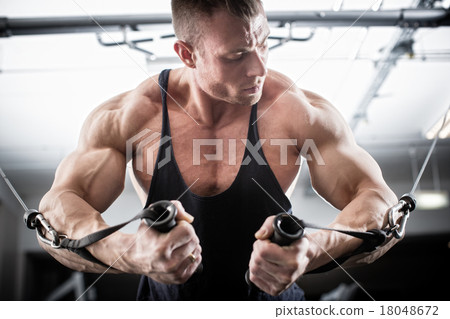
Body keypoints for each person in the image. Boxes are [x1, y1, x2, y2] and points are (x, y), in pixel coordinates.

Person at [38, 0, 398, 300]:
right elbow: (59, 209)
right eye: (237, 55)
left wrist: (314, 249)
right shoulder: (130, 118)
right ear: (187, 54)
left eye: (264, 43)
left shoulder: (298, 113)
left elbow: (379, 201)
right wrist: (132, 252)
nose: (259, 67)